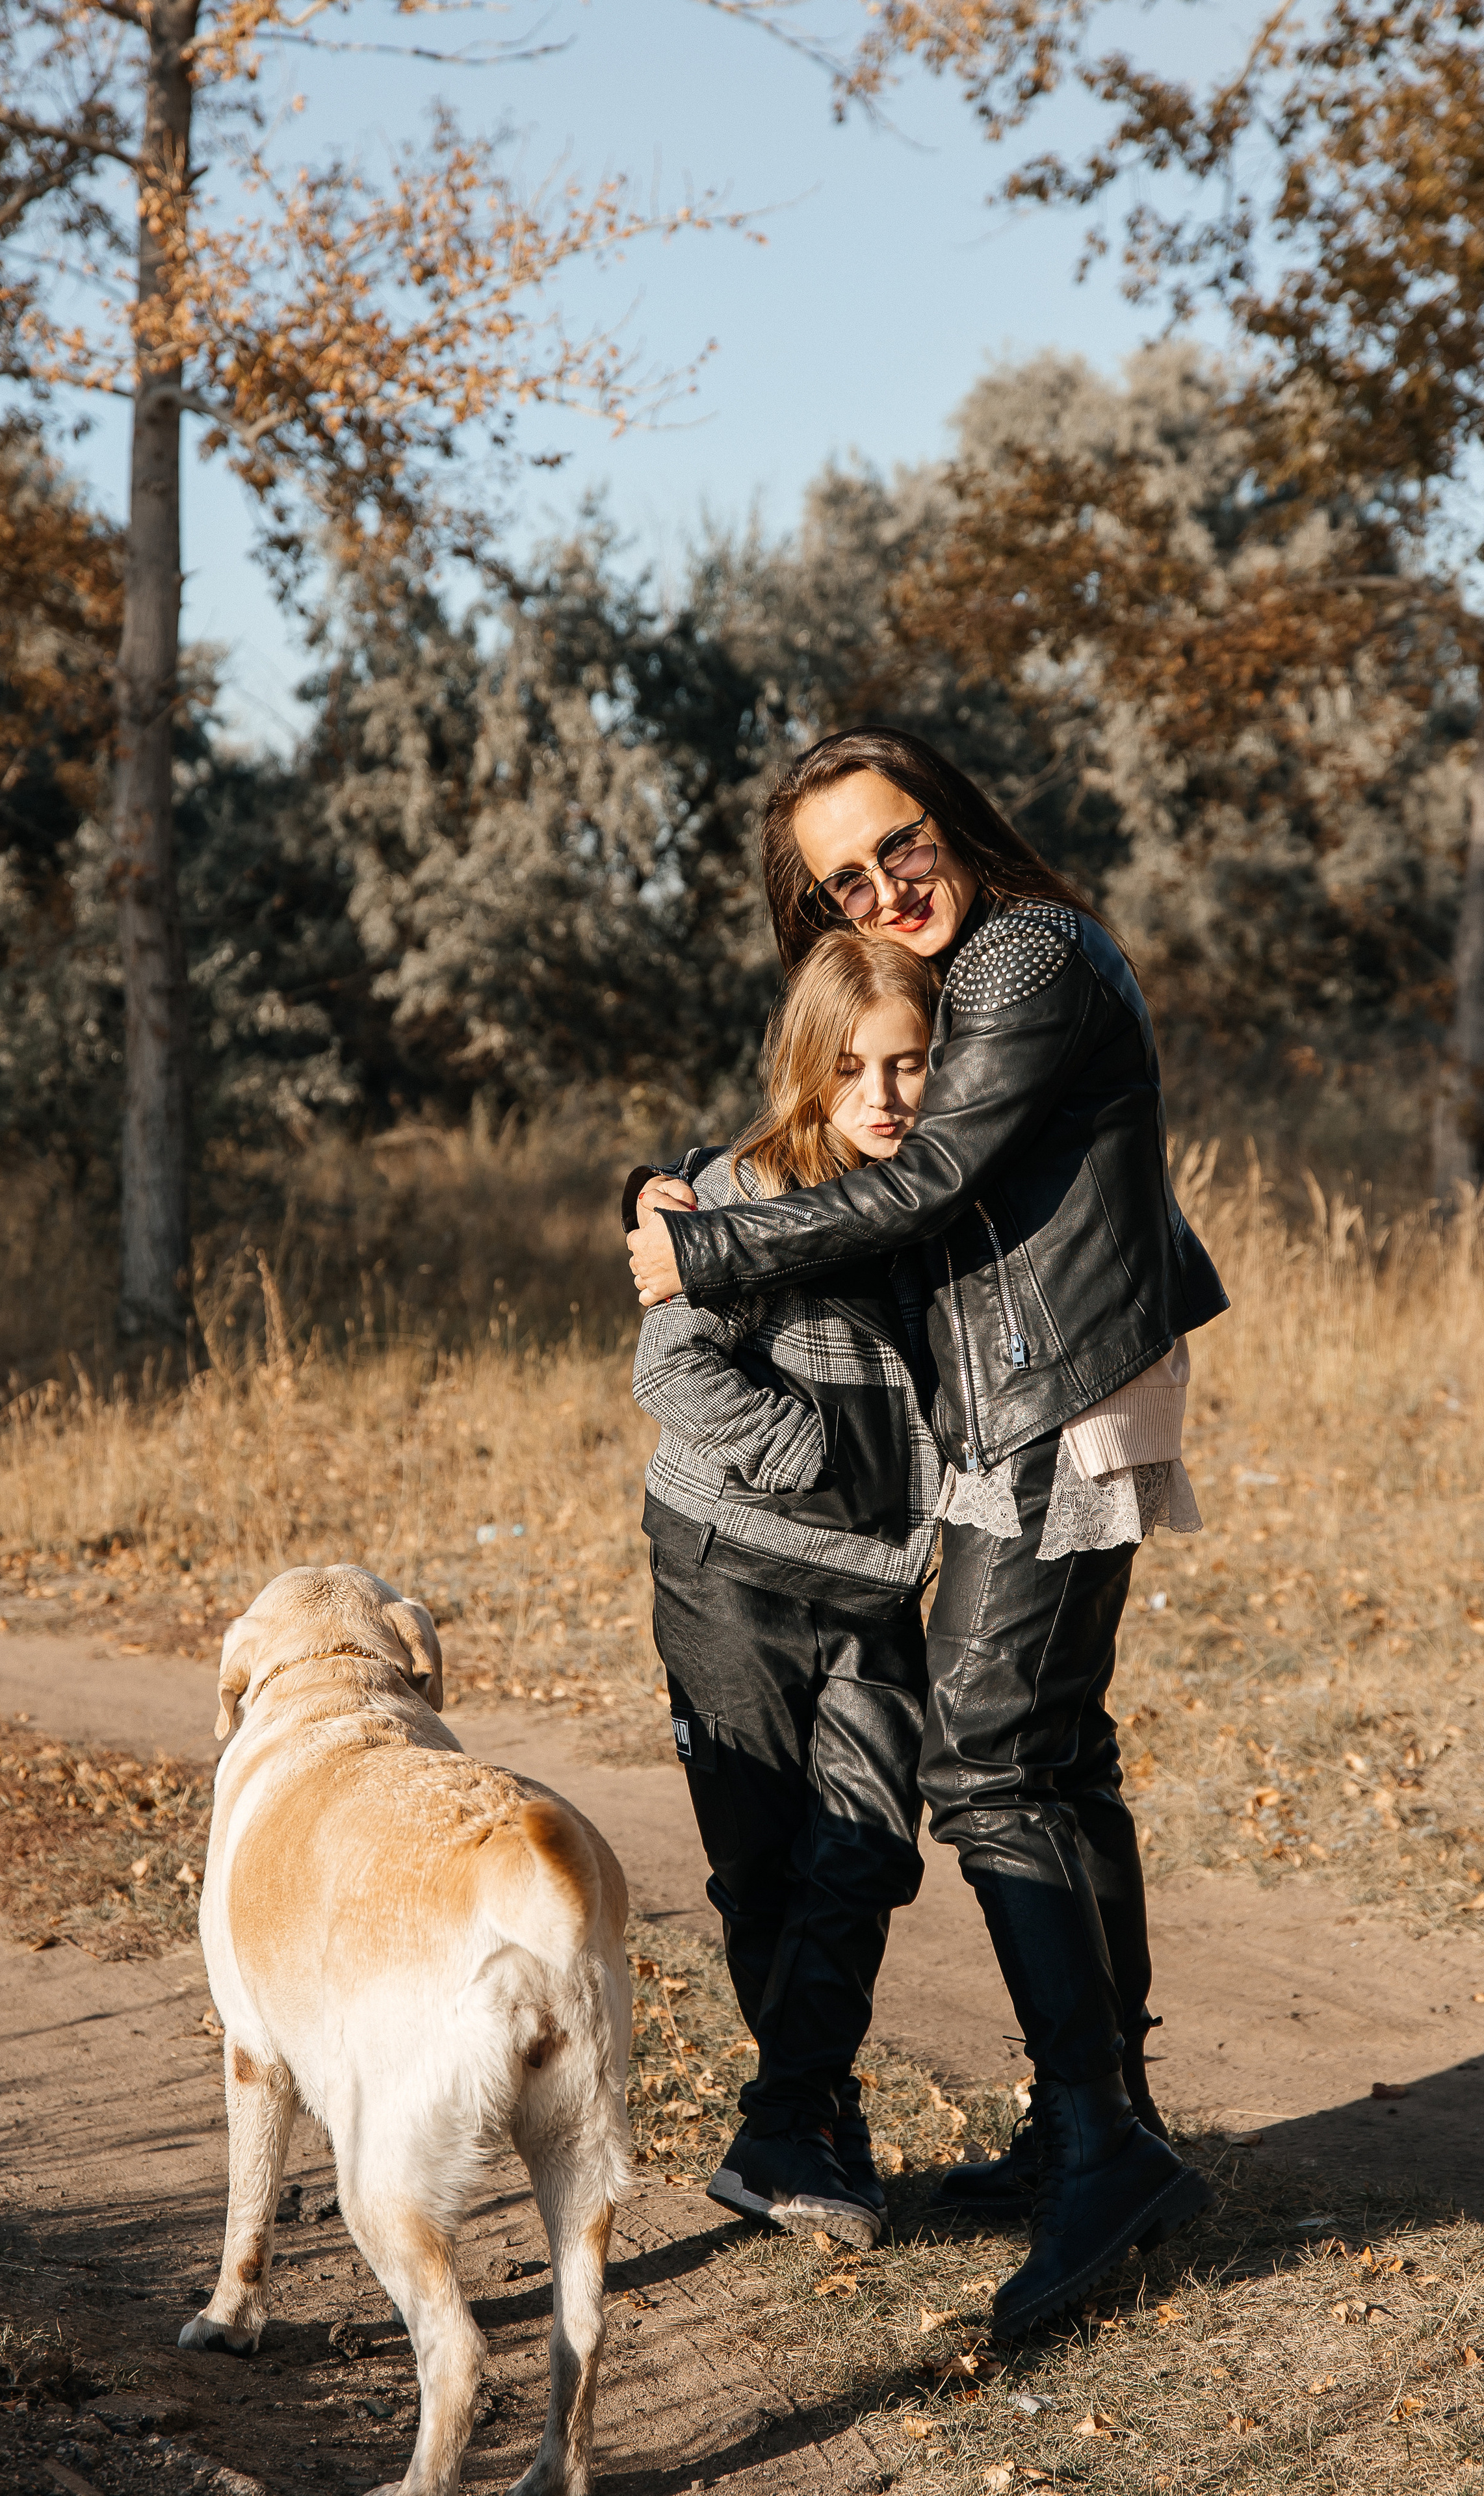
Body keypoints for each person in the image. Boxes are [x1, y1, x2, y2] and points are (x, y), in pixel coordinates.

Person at [627, 725, 1227, 2341]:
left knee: (985, 1758)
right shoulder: (964, 973)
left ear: (947, 820)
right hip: (1055, 1377)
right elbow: (856, 1130)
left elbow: (928, 1178)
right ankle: (1095, 2118)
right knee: (1056, 1751)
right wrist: (685, 1192)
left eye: (898, 844)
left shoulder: (1027, 950)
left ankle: (1101, 2145)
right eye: (843, 878)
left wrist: (706, 1255)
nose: (884, 885)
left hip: (1059, 1384)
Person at [629, 933, 944, 2253]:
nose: (880, 1096)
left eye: (909, 1065)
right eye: (850, 1068)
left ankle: (786, 2125)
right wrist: (806, 1455)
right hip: (731, 1577)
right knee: (762, 1869)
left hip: (875, 1588)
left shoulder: (941, 1201)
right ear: (803, 1072)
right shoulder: (744, 1192)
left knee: (865, 1847)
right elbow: (670, 1371)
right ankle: (814, 2129)